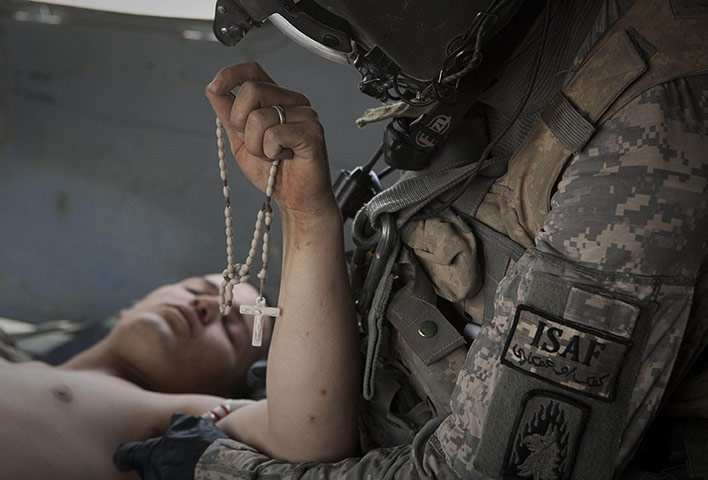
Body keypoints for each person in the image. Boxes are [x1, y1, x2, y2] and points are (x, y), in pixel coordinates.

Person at [118, 0, 708, 478]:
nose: (359, 50)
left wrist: (219, 469)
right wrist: (308, 214)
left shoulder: (647, 131)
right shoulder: (502, 53)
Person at [0, 275, 274, 480]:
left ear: (225, 388)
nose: (205, 304)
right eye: (196, 289)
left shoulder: (168, 418)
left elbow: (286, 428)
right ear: (134, 305)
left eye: (230, 327)